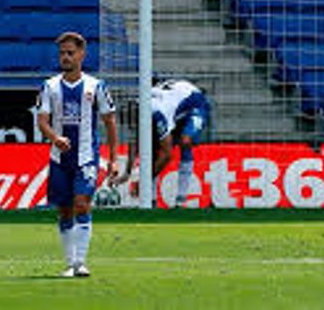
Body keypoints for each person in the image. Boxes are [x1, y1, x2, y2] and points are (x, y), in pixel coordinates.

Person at [37, 32, 117, 278]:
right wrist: (55, 138)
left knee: (82, 203)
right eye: (62, 53)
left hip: (86, 156)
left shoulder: (96, 86)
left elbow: (109, 122)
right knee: (64, 210)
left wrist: (113, 159)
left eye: (70, 53)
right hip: (59, 158)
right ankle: (70, 263)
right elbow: (42, 121)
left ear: (82, 55)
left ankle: (80, 263)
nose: (65, 57)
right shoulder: (49, 86)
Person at [115, 79, 210, 207]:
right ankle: (152, 200)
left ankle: (181, 200)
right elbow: (135, 141)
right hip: (173, 102)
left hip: (193, 102)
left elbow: (167, 154)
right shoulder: (138, 110)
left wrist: (144, 182)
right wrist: (127, 172)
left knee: (185, 141)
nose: (132, 127)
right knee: (152, 147)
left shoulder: (158, 113)